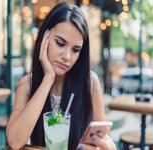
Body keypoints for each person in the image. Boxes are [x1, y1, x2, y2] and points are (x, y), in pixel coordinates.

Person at [6, 2, 117, 150]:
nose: (67, 56)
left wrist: (106, 146)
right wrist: (48, 79)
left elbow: (102, 137)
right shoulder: (26, 85)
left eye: (75, 50)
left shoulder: (90, 83)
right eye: (60, 43)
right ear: (44, 38)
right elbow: (14, 141)